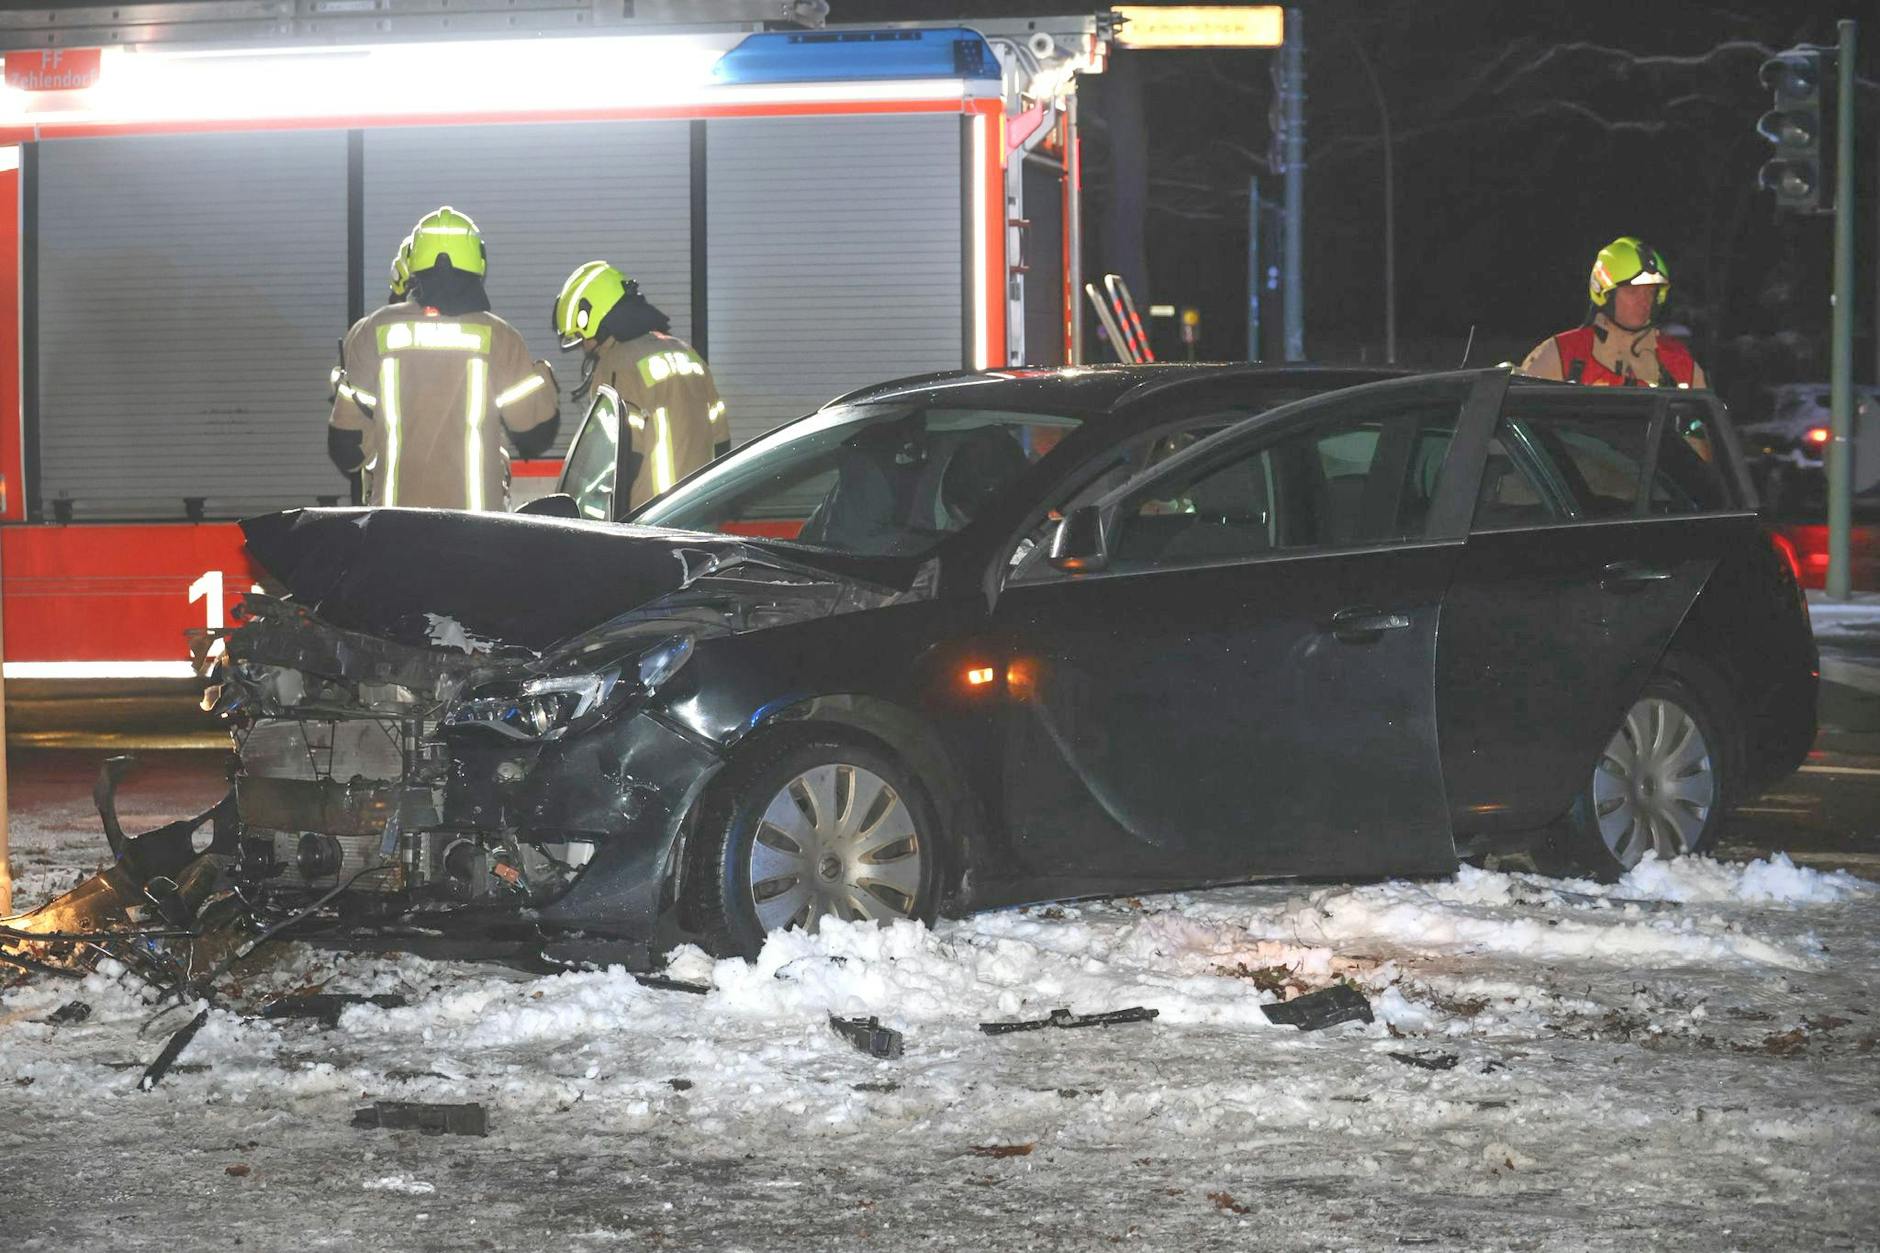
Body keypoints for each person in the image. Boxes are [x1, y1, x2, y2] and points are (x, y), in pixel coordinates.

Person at [329, 207, 558, 509]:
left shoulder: (373, 333)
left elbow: (347, 449)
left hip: (396, 529)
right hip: (476, 533)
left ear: (414, 262)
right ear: (477, 262)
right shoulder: (500, 338)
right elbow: (534, 434)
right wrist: (543, 378)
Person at [552, 261, 727, 510]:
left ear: (593, 318)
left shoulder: (616, 364)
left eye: (581, 337)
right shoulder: (688, 353)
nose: (584, 346)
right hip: (699, 515)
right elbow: (721, 442)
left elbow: (616, 461)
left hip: (652, 521)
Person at [1518, 236, 1709, 389]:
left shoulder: (1679, 361)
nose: (1645, 301)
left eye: (1651, 292)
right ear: (1605, 294)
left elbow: (1704, 434)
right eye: (1632, 291)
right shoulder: (1562, 354)